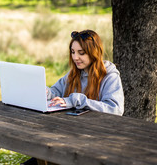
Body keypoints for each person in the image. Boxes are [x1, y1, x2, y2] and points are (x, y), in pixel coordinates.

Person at [21, 30, 124, 165]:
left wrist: (75, 100)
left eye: (81, 53)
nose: (75, 57)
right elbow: (56, 91)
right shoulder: (74, 73)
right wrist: (45, 92)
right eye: (73, 52)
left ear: (94, 52)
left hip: (96, 141)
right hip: (68, 137)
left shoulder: (110, 76)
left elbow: (115, 109)